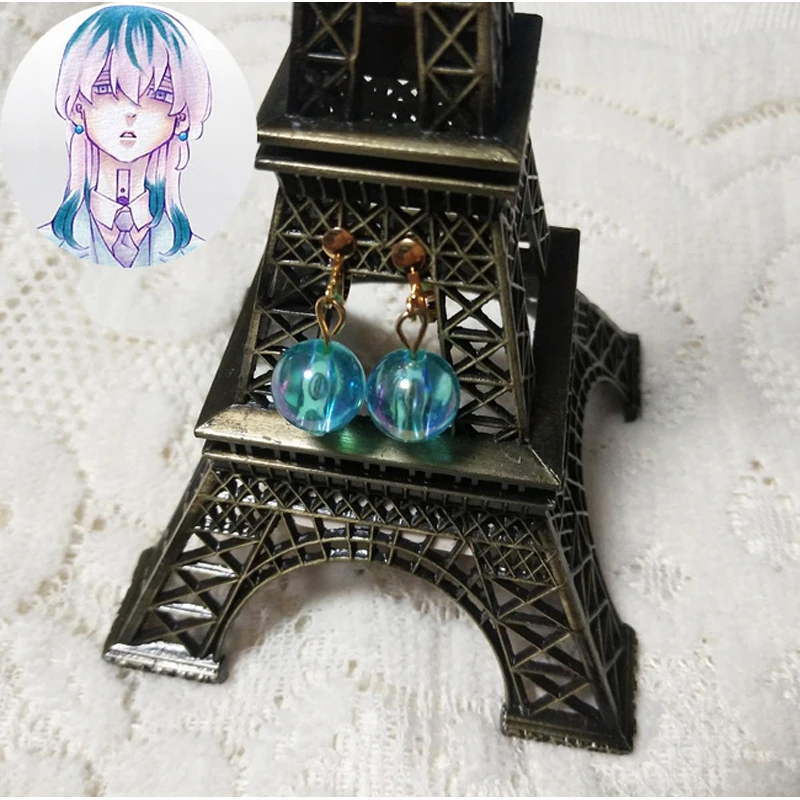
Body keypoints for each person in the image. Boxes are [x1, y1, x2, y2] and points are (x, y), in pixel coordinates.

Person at [41, 4, 211, 267]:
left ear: (181, 117)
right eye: (105, 88)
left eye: (159, 94)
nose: (132, 111)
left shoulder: (194, 251)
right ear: (76, 107)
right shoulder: (47, 244)